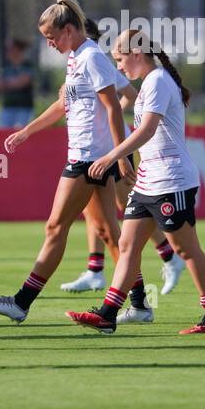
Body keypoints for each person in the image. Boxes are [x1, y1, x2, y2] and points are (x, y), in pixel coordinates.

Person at [65, 29, 205, 335]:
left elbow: (148, 130)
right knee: (127, 246)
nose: (119, 67)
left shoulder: (157, 81)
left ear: (137, 54)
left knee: (186, 249)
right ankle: (108, 314)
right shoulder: (151, 83)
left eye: (120, 59)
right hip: (147, 182)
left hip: (171, 180)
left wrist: (112, 156)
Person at [0, 0, 136, 324]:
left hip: (89, 159)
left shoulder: (92, 58)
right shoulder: (75, 58)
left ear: (68, 30)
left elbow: (113, 107)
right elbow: (63, 105)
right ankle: (139, 302)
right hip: (92, 157)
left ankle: (21, 303)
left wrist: (120, 155)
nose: (50, 44)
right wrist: (28, 130)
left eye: (52, 37)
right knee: (110, 232)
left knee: (55, 227)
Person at [59, 17, 185, 298]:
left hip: (114, 147)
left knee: (127, 206)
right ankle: (96, 269)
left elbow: (126, 95)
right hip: (104, 149)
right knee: (98, 210)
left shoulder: (98, 62)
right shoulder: (79, 64)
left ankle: (168, 258)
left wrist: (109, 126)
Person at [0, 37, 35, 130]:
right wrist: (14, 82)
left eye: (10, 49)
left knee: (22, 134)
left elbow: (24, 82)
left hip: (24, 108)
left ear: (17, 49)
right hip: (7, 107)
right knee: (2, 133)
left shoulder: (27, 65)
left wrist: (7, 83)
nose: (7, 51)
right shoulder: (5, 66)